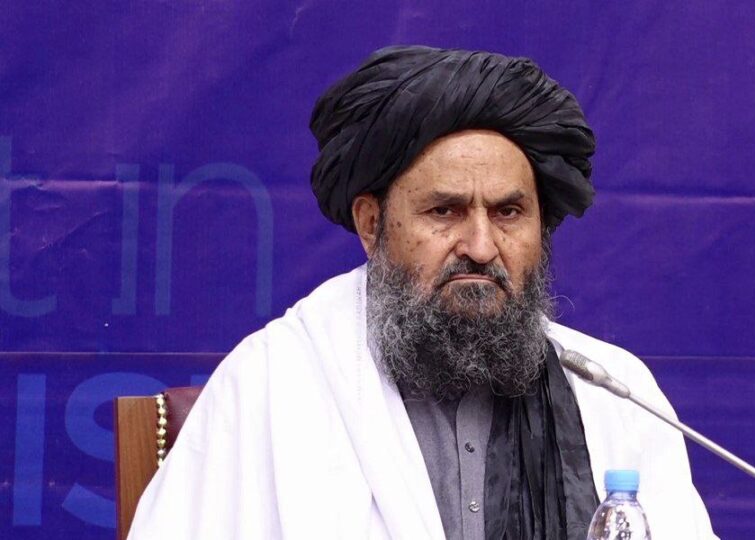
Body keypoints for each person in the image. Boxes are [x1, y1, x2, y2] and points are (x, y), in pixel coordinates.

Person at [128, 46, 715, 539]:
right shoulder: (271, 384)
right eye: (445, 211)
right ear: (371, 224)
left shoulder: (613, 393)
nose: (481, 246)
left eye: (508, 212)